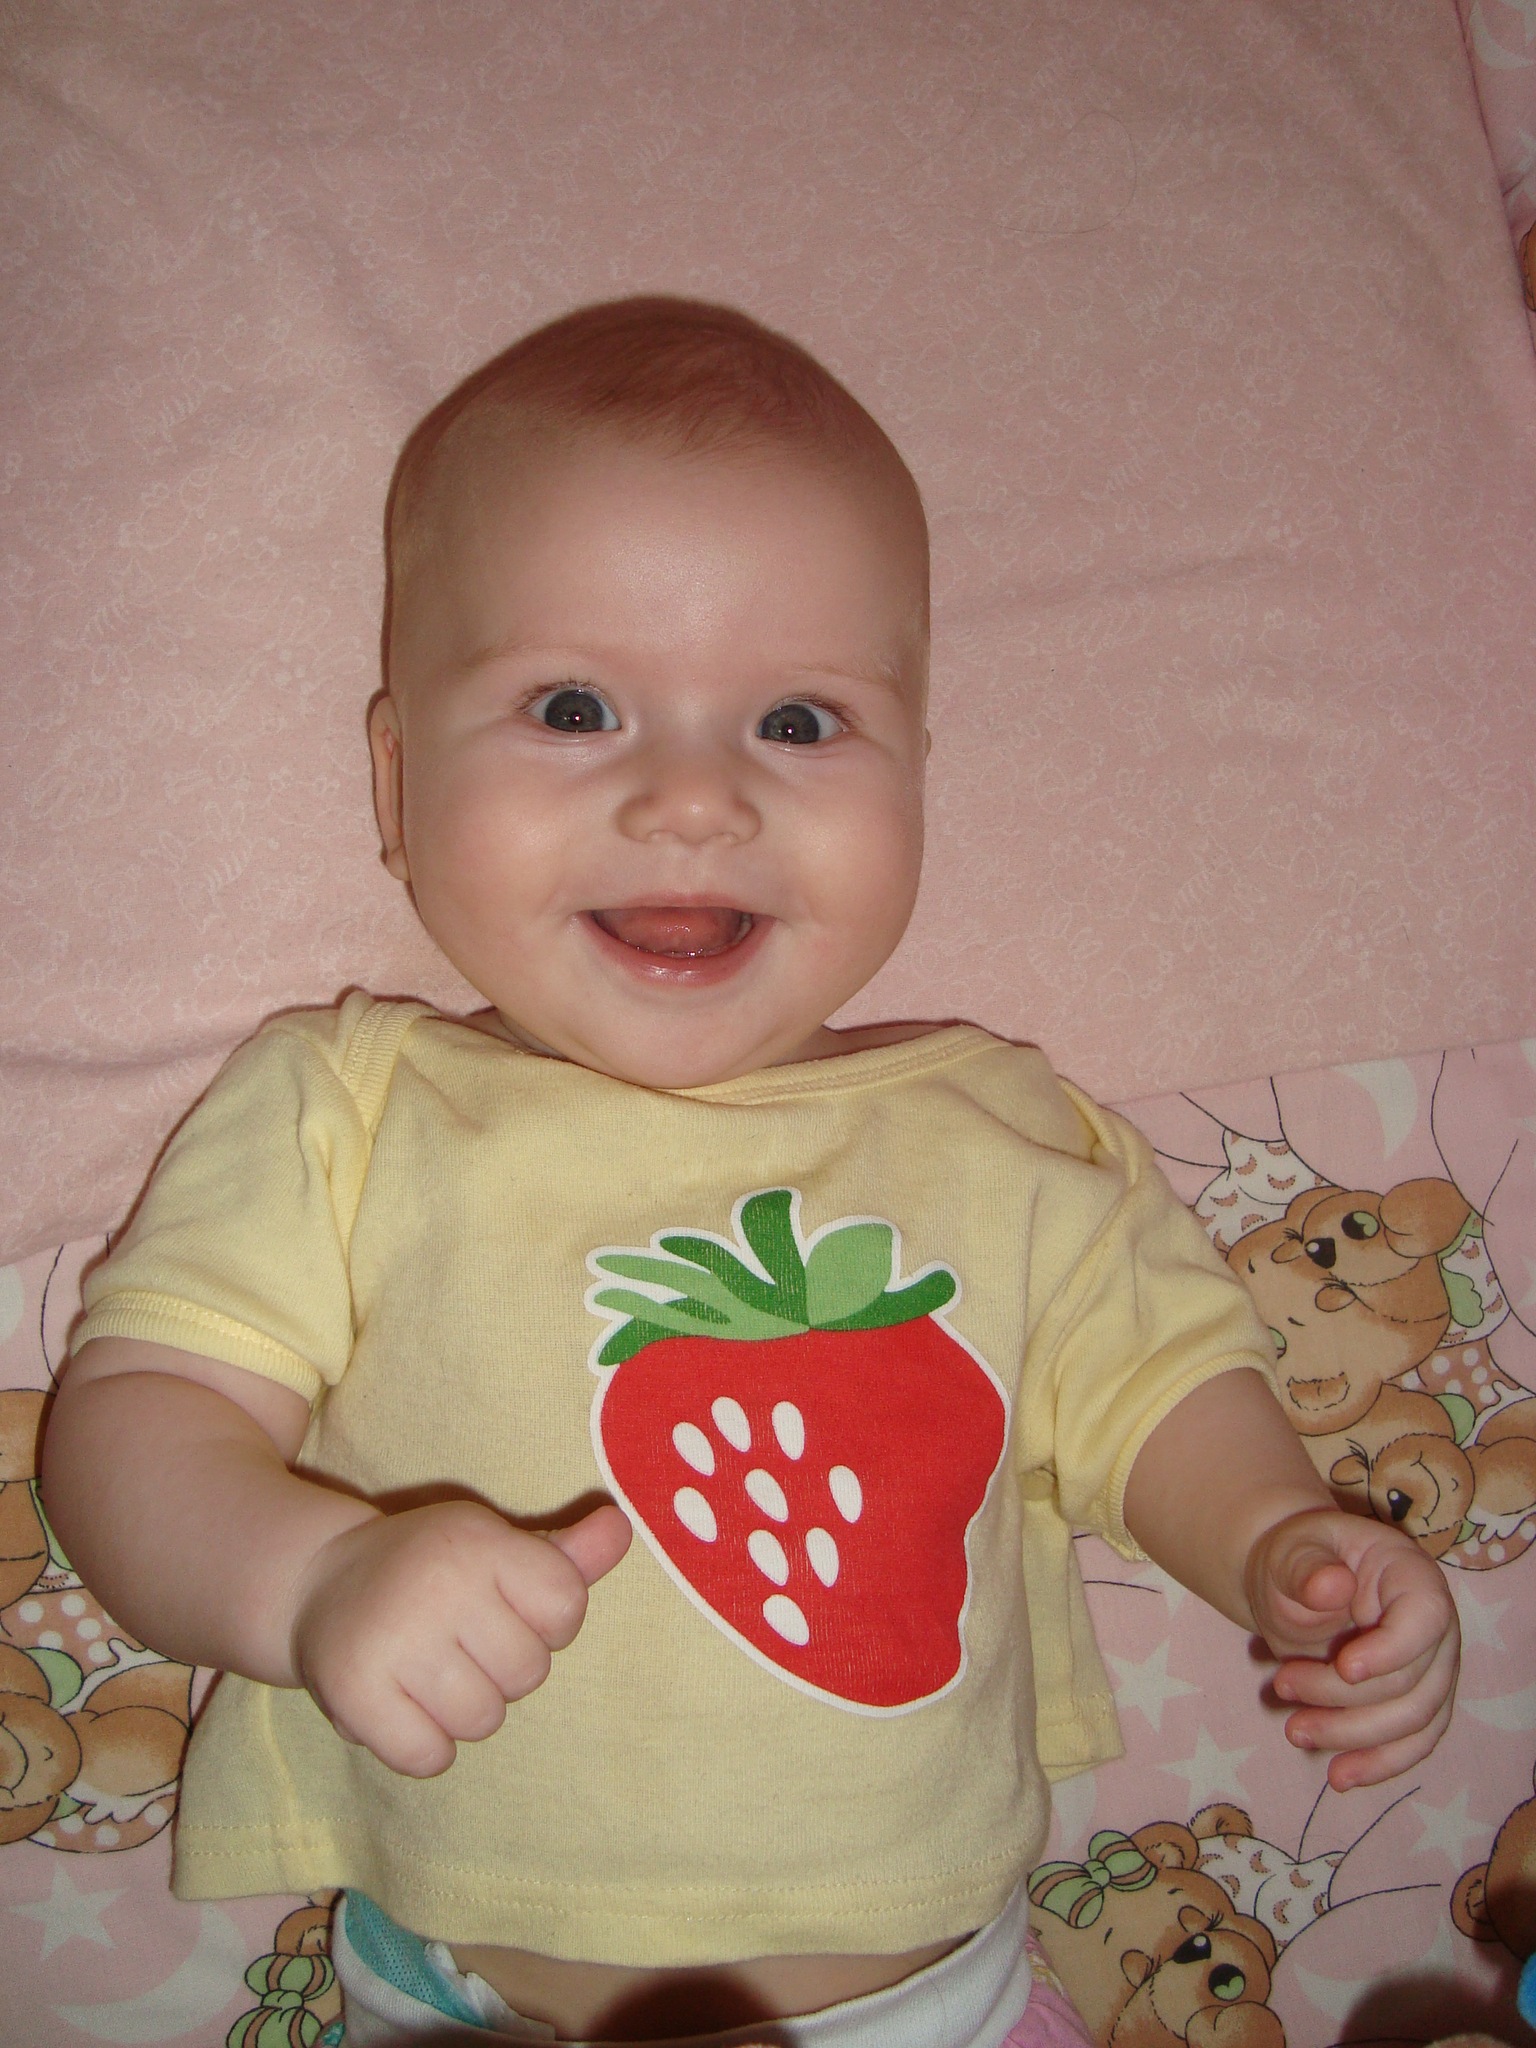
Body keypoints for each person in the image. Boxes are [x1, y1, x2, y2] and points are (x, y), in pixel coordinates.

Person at [41, 298, 1459, 2048]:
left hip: (929, 2002)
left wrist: (1278, 1536)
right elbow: (135, 1427)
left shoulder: (1004, 1130)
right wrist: (307, 1579)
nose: (697, 799)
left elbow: (1160, 1386)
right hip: (473, 1991)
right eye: (576, 707)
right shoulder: (352, 1111)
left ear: (919, 774)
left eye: (798, 720)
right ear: (397, 788)